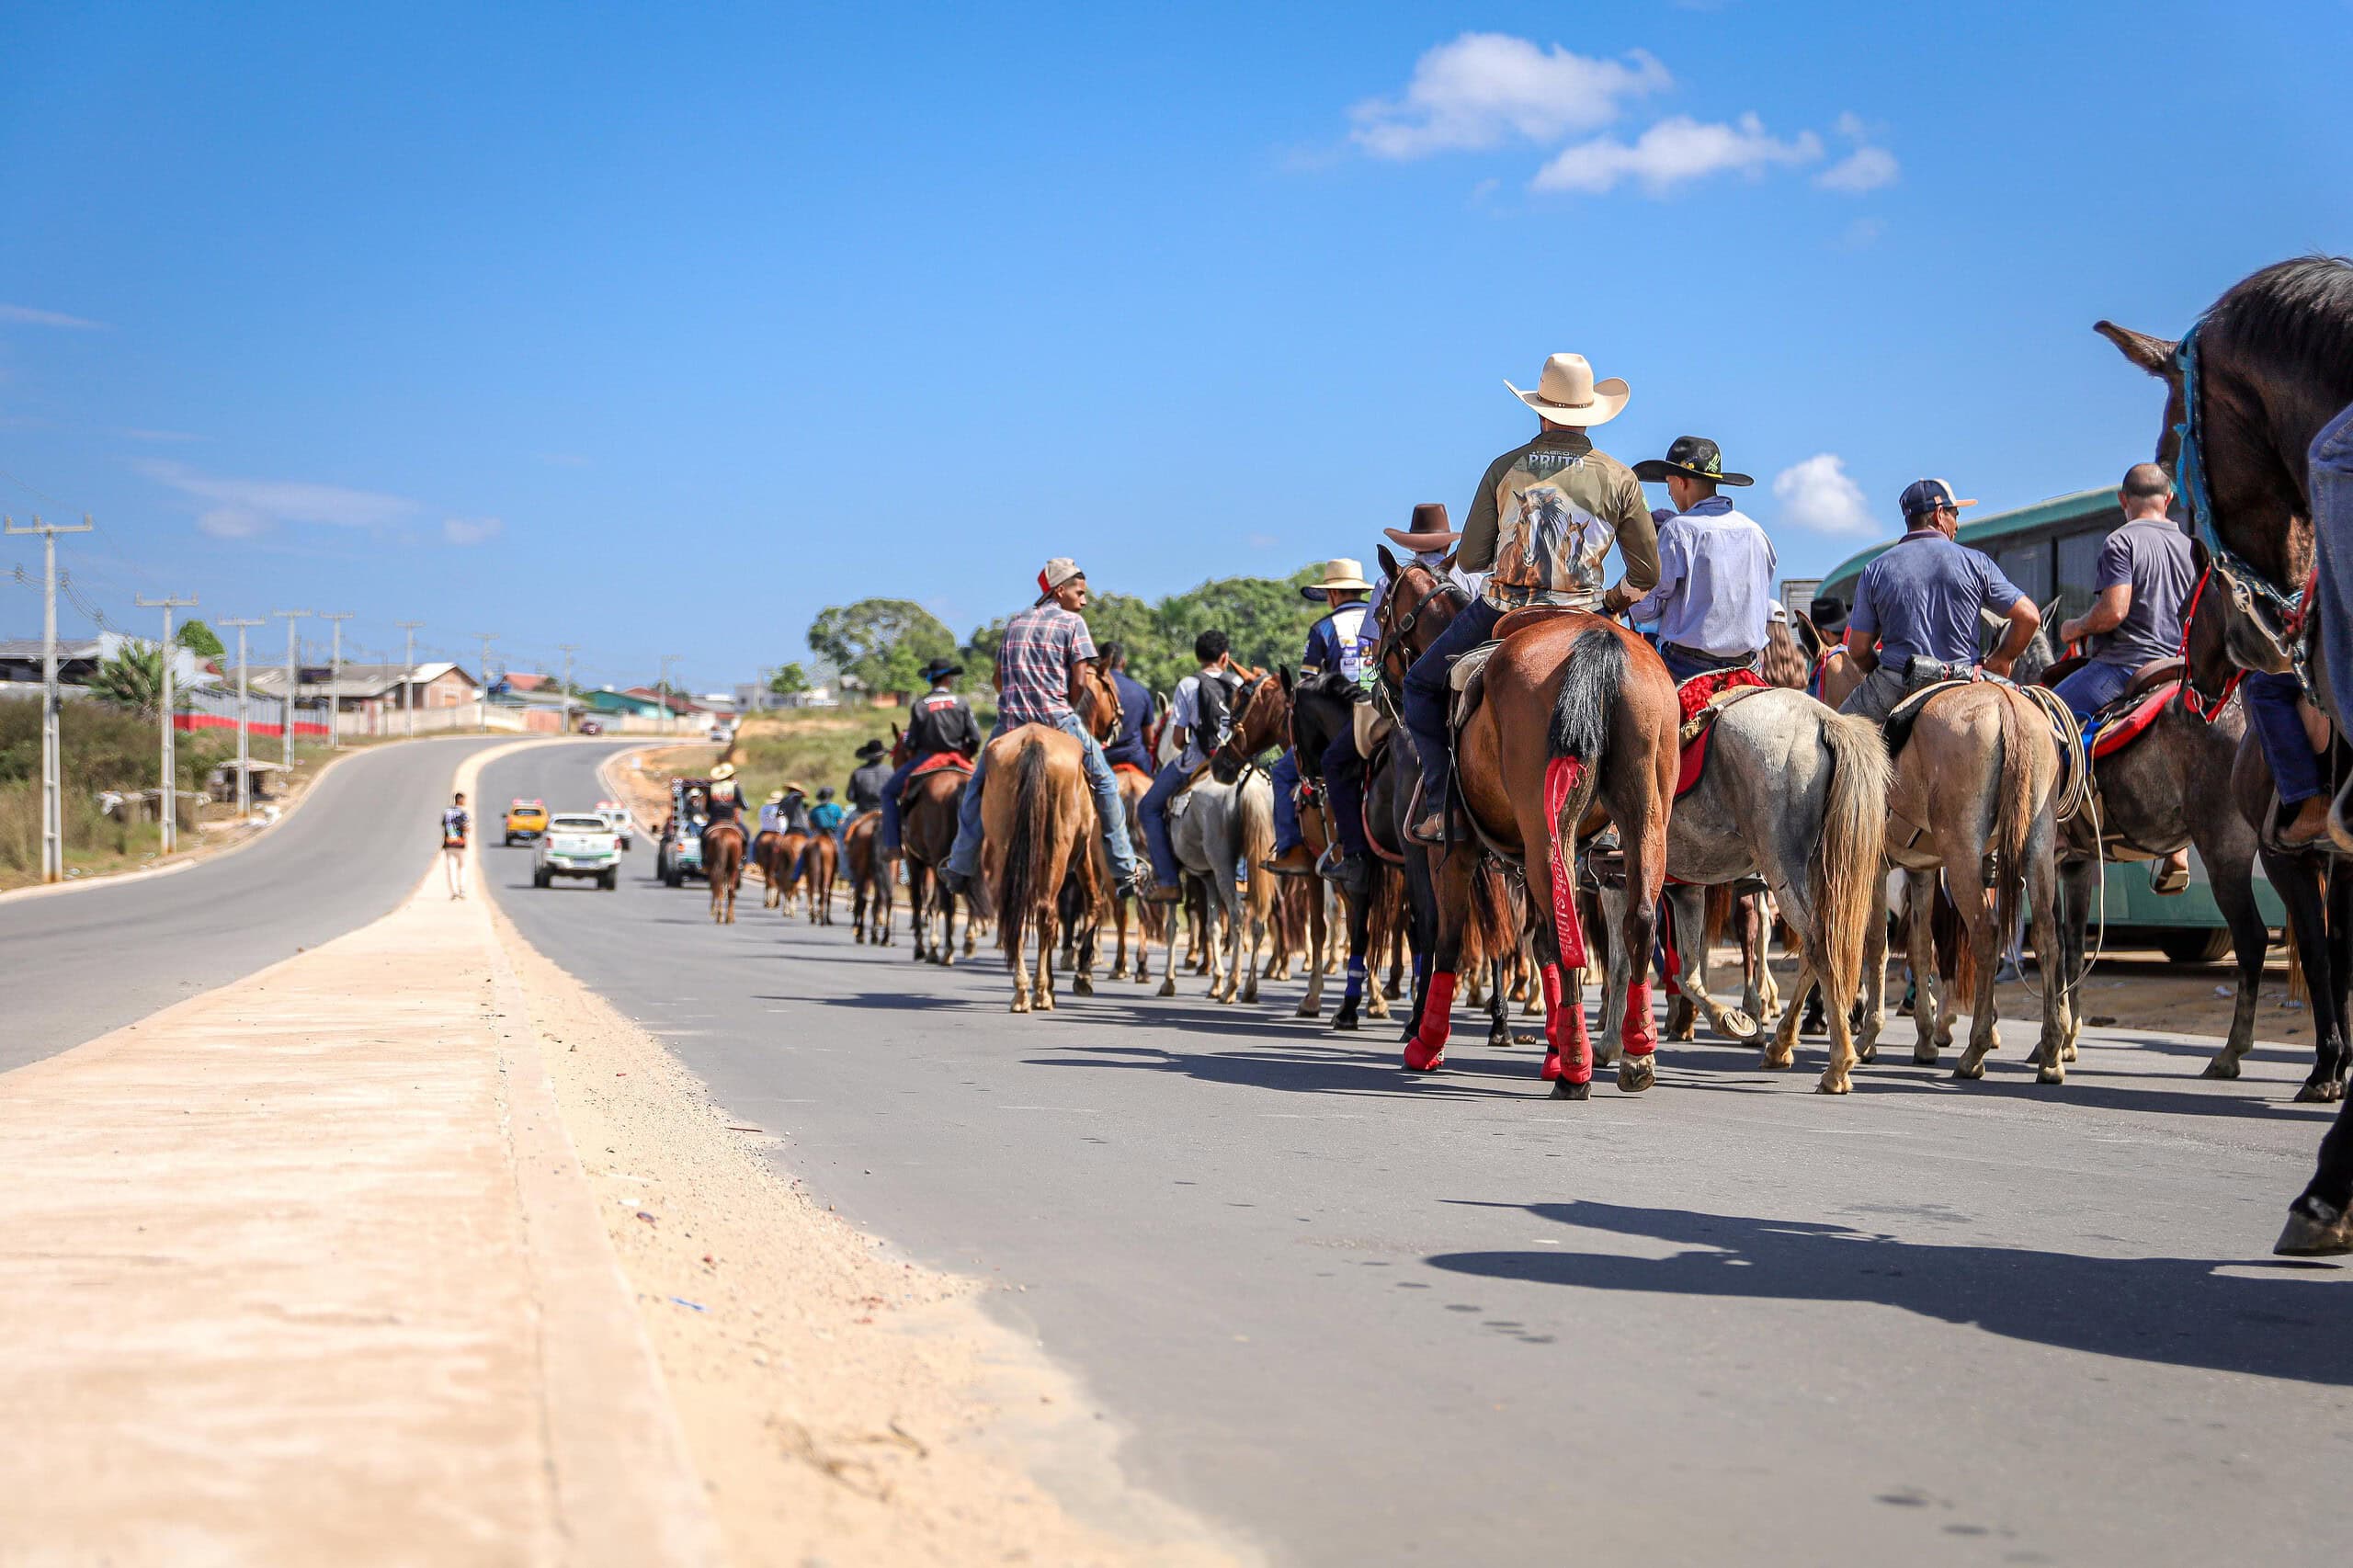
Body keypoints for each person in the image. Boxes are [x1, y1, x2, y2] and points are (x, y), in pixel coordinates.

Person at [1403, 352, 1659, 841]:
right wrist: (1612, 602)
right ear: (1588, 414)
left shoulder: (1504, 468)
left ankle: (1444, 809)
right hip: (1585, 613)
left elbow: (1475, 561)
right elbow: (1647, 573)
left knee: (1418, 687)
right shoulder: (1620, 478)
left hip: (1505, 608)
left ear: (1540, 410)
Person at [941, 557, 1148, 895]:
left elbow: (998, 678)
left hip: (1010, 722)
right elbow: (1080, 681)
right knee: (1107, 783)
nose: (1083, 600)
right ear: (1060, 590)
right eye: (1079, 593)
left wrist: (1017, 702)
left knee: (976, 788)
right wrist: (1064, 705)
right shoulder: (1073, 623)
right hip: (1058, 718)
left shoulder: (1015, 621)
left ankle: (960, 867)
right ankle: (1124, 867)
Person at [1837, 479, 2040, 724]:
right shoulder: (1976, 563)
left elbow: (1858, 649)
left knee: (1835, 739)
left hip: (1897, 684)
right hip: (1964, 680)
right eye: (1955, 514)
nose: (1956, 525)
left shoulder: (1875, 570)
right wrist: (2002, 659)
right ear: (1939, 514)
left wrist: (1881, 672)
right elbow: (2029, 617)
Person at [1624, 437, 1777, 684]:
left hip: (1686, 667)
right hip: (1749, 667)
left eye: (1669, 483)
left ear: (1681, 482)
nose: (1669, 492)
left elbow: (1643, 610)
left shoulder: (1679, 530)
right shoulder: (1756, 533)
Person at [1267, 559, 1374, 876]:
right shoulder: (1381, 618)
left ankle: (1293, 850)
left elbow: (1306, 689)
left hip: (1343, 727)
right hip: (1386, 714)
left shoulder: (1324, 629)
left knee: (1283, 772)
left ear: (1334, 594)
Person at [1142, 630, 1240, 901]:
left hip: (1195, 762)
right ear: (1225, 657)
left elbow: (1177, 737)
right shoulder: (1238, 681)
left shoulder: (1188, 684)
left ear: (1198, 657)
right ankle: (1243, 877)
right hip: (1233, 764)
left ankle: (1169, 880)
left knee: (1148, 808)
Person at [879, 658, 983, 856]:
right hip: (958, 758)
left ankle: (893, 845)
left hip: (926, 759)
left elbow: (911, 742)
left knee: (888, 793)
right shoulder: (961, 703)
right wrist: (966, 753)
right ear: (948, 680)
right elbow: (975, 737)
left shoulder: (920, 705)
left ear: (931, 680)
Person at [1099, 642, 1155, 776]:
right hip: (1133, 757)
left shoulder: (1092, 690)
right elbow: (1149, 739)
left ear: (1101, 662)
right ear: (1123, 662)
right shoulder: (1141, 692)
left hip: (1101, 758)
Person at [700, 762, 753, 867]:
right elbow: (745, 806)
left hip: (715, 820)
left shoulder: (712, 787)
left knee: (702, 836)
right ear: (730, 776)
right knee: (746, 834)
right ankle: (743, 859)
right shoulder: (735, 787)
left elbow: (706, 809)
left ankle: (704, 859)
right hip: (730, 820)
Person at [847, 738, 892, 820]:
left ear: (867, 757)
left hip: (863, 812)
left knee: (841, 831)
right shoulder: (890, 771)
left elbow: (850, 797)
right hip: (887, 811)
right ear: (882, 756)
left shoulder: (858, 772)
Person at [440, 790, 470, 899]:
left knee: (451, 868)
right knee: (462, 867)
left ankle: (454, 892)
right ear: (461, 800)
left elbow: (443, 824)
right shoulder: (463, 813)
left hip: (449, 843)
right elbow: (467, 827)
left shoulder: (447, 812)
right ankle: (462, 889)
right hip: (460, 843)